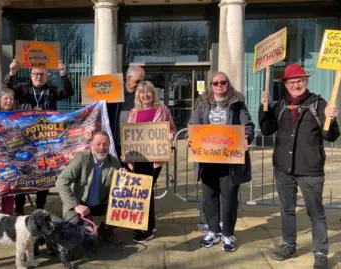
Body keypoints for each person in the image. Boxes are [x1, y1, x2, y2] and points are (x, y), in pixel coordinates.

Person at [259, 64, 339, 269]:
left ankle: (320, 252)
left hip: (310, 168)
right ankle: (288, 245)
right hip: (283, 168)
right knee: (287, 209)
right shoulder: (280, 105)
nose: (296, 85)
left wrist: (332, 118)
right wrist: (264, 107)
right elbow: (267, 130)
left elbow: (330, 136)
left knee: (316, 212)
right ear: (285, 84)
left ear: (306, 81)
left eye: (300, 81)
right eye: (291, 82)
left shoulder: (319, 104)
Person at [188, 71, 255, 252]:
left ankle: (227, 233)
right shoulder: (202, 103)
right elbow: (193, 126)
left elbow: (247, 126)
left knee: (229, 197)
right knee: (209, 196)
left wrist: (246, 137)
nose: (219, 86)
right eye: (215, 83)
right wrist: (190, 137)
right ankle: (213, 231)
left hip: (230, 160)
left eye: (222, 82)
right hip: (207, 159)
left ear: (228, 84)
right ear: (211, 85)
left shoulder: (237, 103)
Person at [4, 59, 74, 215]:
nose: (38, 76)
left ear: (47, 76)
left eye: (41, 74)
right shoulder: (22, 89)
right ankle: (20, 208)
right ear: (30, 75)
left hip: (45, 138)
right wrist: (12, 72)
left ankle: (41, 207)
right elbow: (6, 89)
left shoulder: (52, 90)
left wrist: (63, 75)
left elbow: (69, 92)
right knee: (23, 172)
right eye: (35, 74)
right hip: (25, 138)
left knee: (45, 172)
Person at [125, 81, 176, 243]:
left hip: (154, 158)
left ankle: (146, 229)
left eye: (148, 92)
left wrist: (170, 136)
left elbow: (173, 128)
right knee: (142, 191)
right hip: (138, 158)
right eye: (142, 92)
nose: (145, 95)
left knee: (145, 191)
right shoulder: (134, 112)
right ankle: (146, 226)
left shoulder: (162, 109)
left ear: (153, 94)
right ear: (138, 95)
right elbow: (129, 134)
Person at [56, 131, 122, 244]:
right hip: (79, 204)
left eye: (105, 144)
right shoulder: (82, 158)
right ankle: (79, 233)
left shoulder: (114, 163)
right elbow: (61, 181)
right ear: (91, 145)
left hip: (100, 204)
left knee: (124, 209)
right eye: (98, 144)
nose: (102, 147)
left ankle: (105, 229)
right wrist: (75, 205)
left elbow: (118, 189)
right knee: (74, 223)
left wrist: (123, 179)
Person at [107, 66, 145, 159]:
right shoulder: (113, 91)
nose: (139, 85)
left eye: (141, 82)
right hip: (115, 142)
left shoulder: (143, 95)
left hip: (135, 144)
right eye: (137, 81)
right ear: (128, 78)